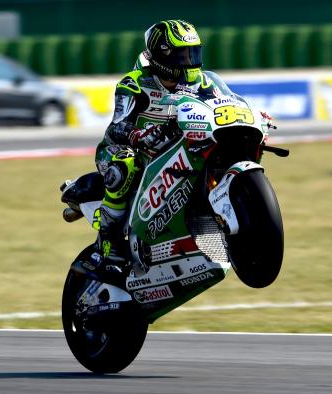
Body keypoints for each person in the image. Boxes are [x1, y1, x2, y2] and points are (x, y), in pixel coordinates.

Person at [91, 19, 232, 278]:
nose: (190, 63)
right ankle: (108, 243)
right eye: (182, 56)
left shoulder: (206, 83)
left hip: (172, 152)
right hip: (125, 152)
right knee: (124, 164)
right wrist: (138, 135)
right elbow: (115, 128)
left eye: (193, 54)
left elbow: (227, 107)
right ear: (161, 57)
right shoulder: (134, 84)